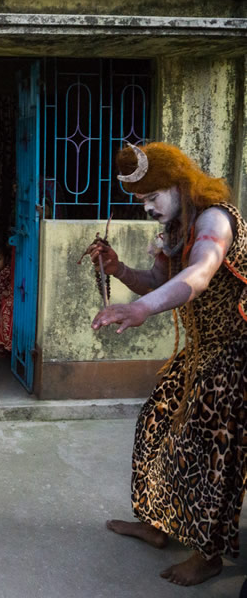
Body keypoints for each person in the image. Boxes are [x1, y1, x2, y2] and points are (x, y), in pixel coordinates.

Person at [89, 141, 247, 587]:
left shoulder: (215, 219)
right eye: (141, 201)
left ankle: (209, 554)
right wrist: (118, 270)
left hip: (235, 354)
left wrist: (142, 311)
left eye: (153, 197)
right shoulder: (177, 229)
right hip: (199, 353)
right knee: (155, 425)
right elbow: (158, 280)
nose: (148, 208)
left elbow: (197, 276)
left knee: (214, 456)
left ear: (178, 185)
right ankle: (159, 524)